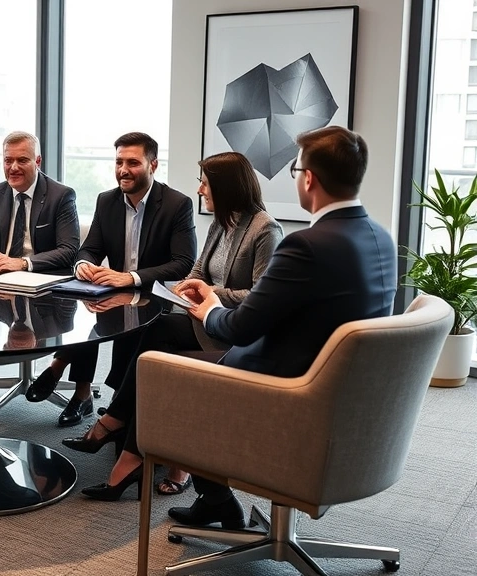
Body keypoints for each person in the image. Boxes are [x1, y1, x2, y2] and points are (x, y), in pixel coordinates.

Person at [164, 126, 397, 529]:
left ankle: (214, 495)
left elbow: (240, 328)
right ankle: (215, 499)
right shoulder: (381, 238)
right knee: (176, 350)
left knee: (168, 374)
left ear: (309, 179)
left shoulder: (304, 244)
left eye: (295, 170)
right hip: (351, 397)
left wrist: (210, 310)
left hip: (292, 395)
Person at [69, 151, 283, 501]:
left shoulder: (264, 229)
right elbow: (197, 271)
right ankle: (126, 446)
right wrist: (187, 287)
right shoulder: (221, 222)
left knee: (156, 345)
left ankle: (116, 429)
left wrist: (210, 293)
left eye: (206, 183)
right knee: (152, 333)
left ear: (227, 187)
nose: (200, 190)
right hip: (206, 323)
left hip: (234, 336)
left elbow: (262, 297)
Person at [27, 132, 197, 427]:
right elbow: (91, 248)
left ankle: (65, 372)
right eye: (119, 161)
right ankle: (82, 394)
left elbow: (183, 263)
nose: (123, 170)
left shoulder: (176, 204)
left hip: (154, 295)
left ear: (153, 165)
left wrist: (129, 277)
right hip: (115, 293)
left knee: (108, 320)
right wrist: (83, 265)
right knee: (82, 312)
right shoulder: (107, 200)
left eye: (133, 162)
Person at [0, 130, 79, 274]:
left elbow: (68, 251)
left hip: (42, 282)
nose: (13, 167)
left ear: (38, 161)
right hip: (0, 281)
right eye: (8, 160)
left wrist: (22, 263)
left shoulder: (61, 196)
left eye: (22, 160)